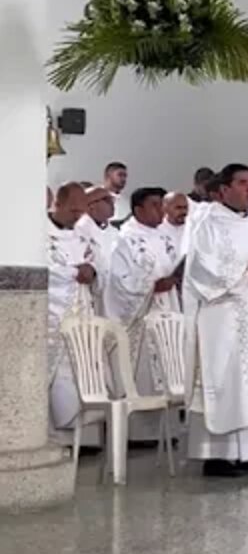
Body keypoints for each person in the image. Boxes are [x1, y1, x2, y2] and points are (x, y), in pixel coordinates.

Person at [183, 163, 248, 476]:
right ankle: (217, 456)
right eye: (242, 183)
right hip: (223, 317)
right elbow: (202, 271)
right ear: (223, 190)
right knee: (228, 379)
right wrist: (247, 273)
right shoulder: (207, 224)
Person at [104, 187, 183, 444]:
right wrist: (150, 286)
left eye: (162, 204)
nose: (161, 210)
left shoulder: (165, 237)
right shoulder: (124, 240)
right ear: (138, 210)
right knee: (143, 371)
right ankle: (139, 433)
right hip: (142, 313)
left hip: (166, 307)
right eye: (154, 205)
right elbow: (118, 280)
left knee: (167, 365)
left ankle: (167, 430)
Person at [47, 183, 98, 441]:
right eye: (73, 209)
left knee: (78, 373)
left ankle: (77, 441)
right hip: (53, 318)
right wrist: (74, 272)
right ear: (58, 203)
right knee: (53, 376)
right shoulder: (39, 235)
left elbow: (94, 261)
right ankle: (50, 438)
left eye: (81, 210)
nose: (78, 216)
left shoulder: (80, 234)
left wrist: (91, 270)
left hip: (80, 314)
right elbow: (45, 271)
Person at [78, 186, 121, 313]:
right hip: (90, 298)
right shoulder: (79, 230)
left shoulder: (114, 232)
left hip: (115, 295)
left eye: (113, 201)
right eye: (107, 200)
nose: (112, 204)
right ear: (91, 205)